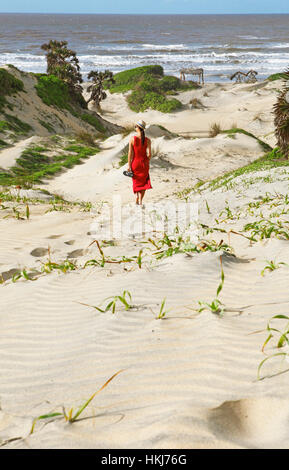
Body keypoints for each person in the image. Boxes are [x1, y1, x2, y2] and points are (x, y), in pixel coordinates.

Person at [127, 120, 152, 205]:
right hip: (144, 164)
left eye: (135, 126)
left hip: (135, 163)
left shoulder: (132, 139)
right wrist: (146, 161)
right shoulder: (148, 140)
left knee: (137, 183)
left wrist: (129, 166)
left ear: (138, 127)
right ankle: (141, 200)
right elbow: (150, 154)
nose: (135, 127)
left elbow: (130, 154)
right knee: (144, 183)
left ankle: (138, 197)